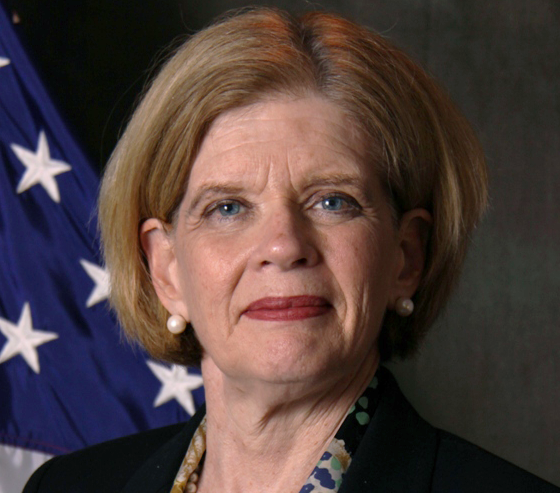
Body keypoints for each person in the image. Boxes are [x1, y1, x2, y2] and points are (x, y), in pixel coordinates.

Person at [24, 7, 558, 493]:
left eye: (332, 201)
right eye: (227, 208)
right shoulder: (65, 488)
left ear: (406, 257)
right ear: (166, 270)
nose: (283, 246)